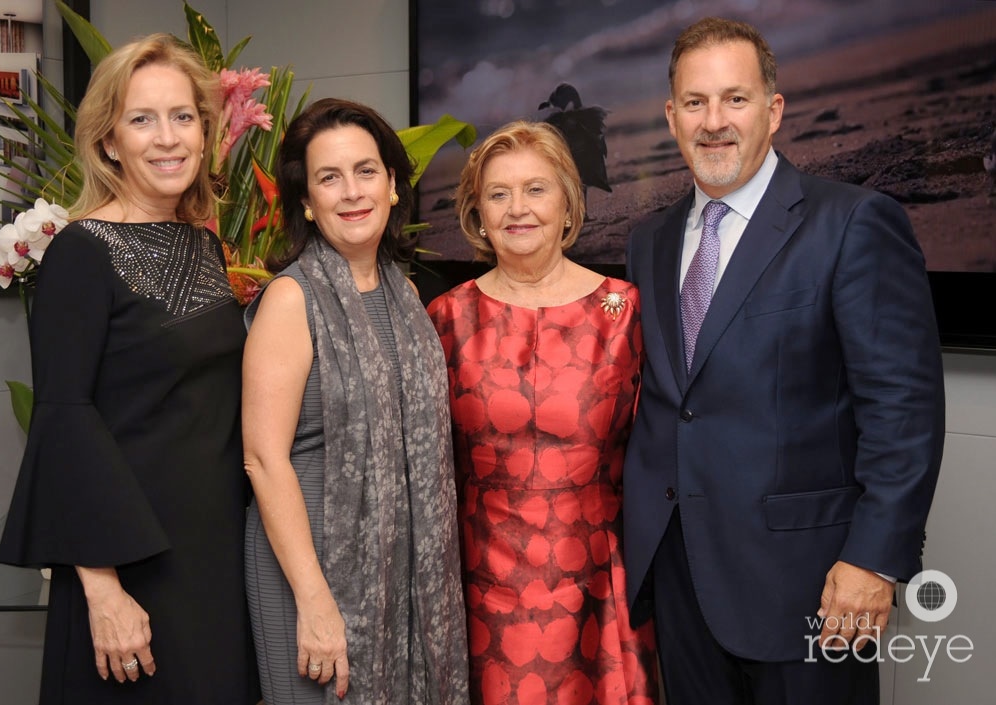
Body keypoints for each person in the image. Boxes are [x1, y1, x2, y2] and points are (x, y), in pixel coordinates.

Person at [622, 16, 945, 705]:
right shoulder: (646, 241)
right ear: (672, 116)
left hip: (810, 583)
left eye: (735, 99)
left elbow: (904, 411)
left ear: (773, 111)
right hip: (681, 578)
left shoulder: (853, 222)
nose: (715, 121)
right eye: (697, 102)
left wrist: (874, 558)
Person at [0, 34, 259, 704]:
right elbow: (63, 422)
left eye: (182, 116)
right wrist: (102, 589)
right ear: (109, 141)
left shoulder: (203, 243)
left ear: (205, 133)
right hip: (129, 566)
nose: (166, 138)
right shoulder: (80, 255)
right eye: (142, 119)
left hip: (212, 559)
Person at [240, 97, 470, 705]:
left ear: (393, 184)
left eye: (366, 171)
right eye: (328, 178)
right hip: (309, 567)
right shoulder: (292, 299)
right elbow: (263, 459)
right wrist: (314, 599)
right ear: (307, 203)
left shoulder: (409, 294)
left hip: (400, 567)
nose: (351, 192)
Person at [427, 120, 660, 705]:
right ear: (477, 214)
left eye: (536, 189)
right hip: (482, 594)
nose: (517, 209)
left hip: (600, 589)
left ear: (568, 204)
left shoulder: (625, 311)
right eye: (498, 194)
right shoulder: (445, 318)